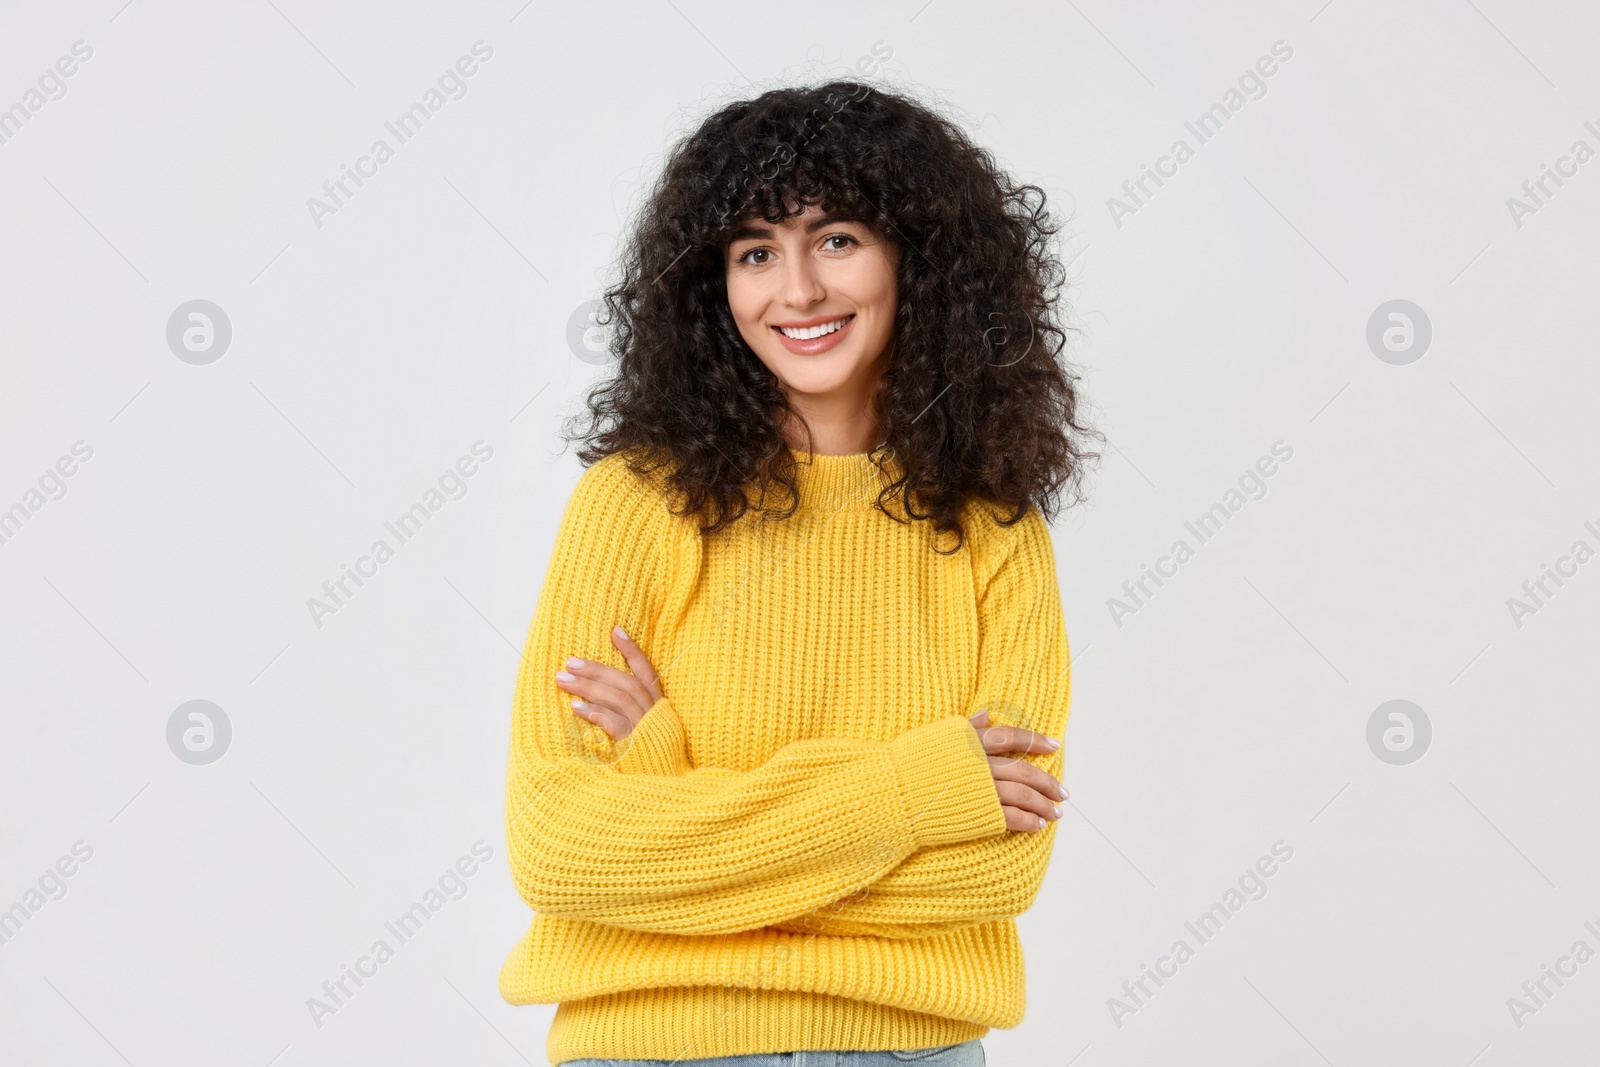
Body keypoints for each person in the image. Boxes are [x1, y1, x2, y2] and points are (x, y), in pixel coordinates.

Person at [499, 79, 1101, 1067]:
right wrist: (918, 789)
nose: (798, 290)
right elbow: (560, 848)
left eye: (835, 238)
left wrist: (673, 786)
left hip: (908, 1048)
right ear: (713, 285)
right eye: (753, 252)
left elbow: (993, 874)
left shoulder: (993, 526)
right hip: (652, 1048)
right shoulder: (634, 502)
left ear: (918, 257)